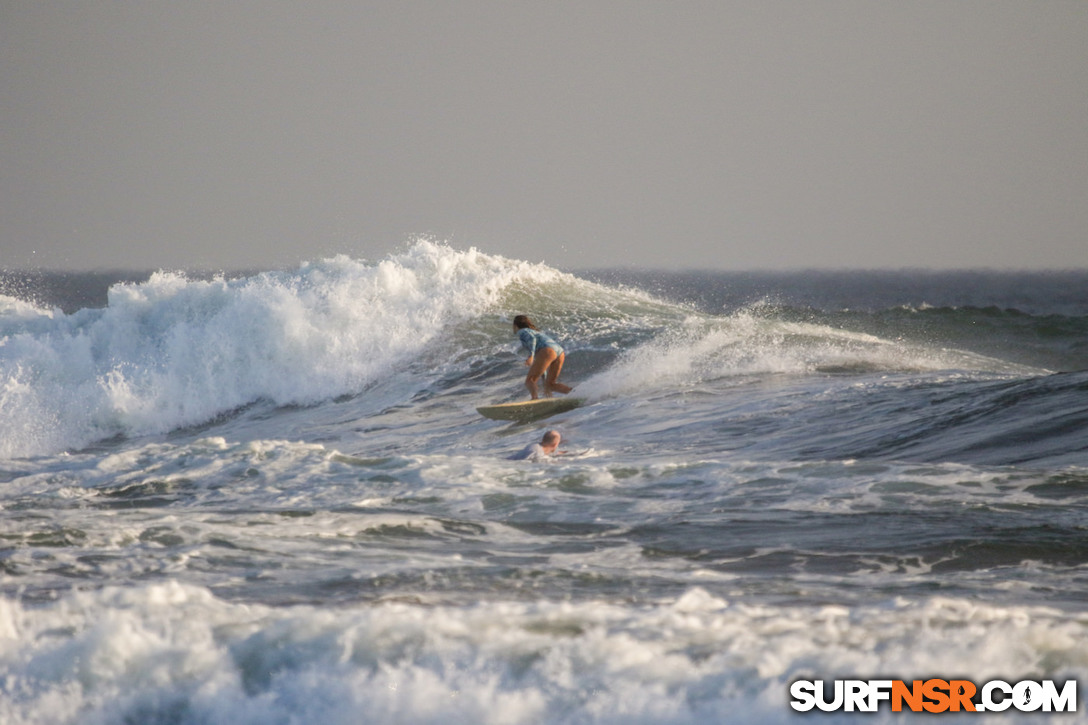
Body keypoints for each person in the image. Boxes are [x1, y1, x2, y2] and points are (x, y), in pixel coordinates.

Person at [513, 314, 573, 400]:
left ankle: (534, 400)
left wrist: (531, 356)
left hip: (548, 351)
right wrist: (545, 384)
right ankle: (578, 393)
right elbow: (542, 365)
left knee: (530, 380)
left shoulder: (523, 331)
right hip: (559, 352)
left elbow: (532, 339)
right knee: (550, 385)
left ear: (515, 325)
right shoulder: (535, 331)